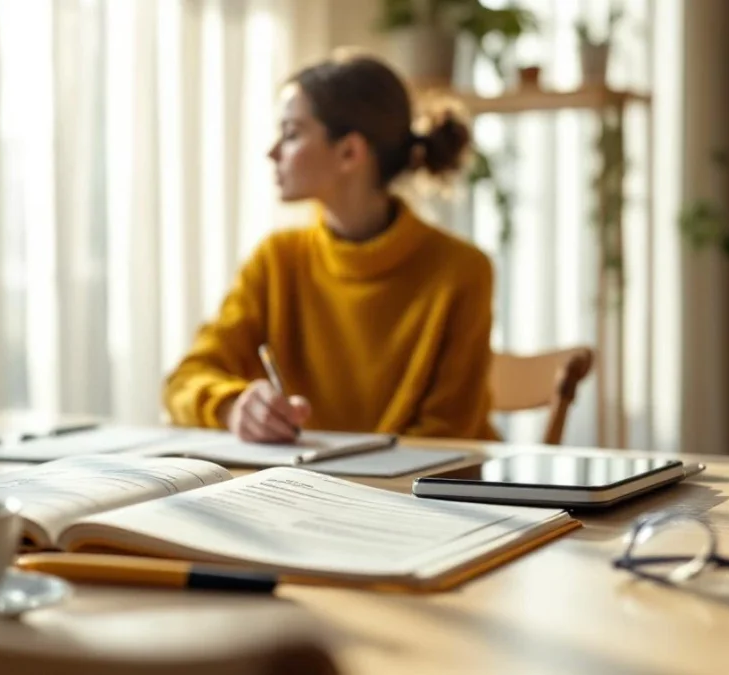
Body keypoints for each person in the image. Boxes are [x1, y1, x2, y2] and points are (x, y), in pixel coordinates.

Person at [161, 53, 499, 443]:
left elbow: (447, 434)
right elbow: (183, 381)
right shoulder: (276, 260)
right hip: (313, 491)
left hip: (420, 498)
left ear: (349, 153)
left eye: (290, 134)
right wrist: (233, 406)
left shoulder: (461, 270)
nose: (272, 152)